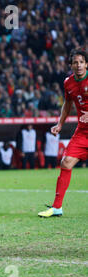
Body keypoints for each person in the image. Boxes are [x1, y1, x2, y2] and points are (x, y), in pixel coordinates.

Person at [38, 48, 88, 218]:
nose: (79, 65)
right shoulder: (68, 83)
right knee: (66, 162)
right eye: (75, 62)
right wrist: (60, 124)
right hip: (82, 132)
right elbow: (67, 104)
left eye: (82, 62)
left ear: (86, 64)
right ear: (71, 65)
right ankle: (57, 207)